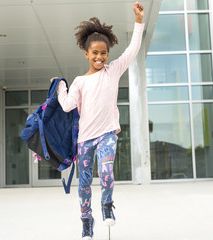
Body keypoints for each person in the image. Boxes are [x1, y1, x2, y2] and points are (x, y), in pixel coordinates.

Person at [51, 2, 144, 239]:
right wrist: (61, 85)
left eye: (103, 53)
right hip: (85, 140)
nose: (100, 57)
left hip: (107, 135)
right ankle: (86, 221)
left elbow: (132, 50)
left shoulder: (112, 71)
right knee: (83, 185)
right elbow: (67, 104)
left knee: (106, 172)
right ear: (86, 54)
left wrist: (138, 21)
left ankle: (106, 205)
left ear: (108, 54)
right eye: (95, 53)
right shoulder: (80, 81)